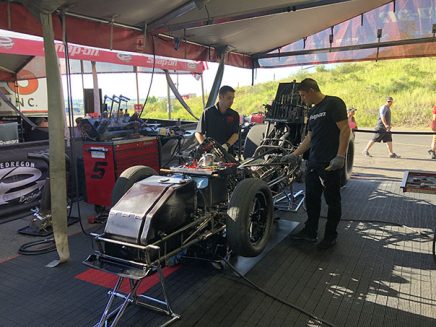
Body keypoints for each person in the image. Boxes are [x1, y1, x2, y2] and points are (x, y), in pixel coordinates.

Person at [281, 78, 351, 250]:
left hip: (330, 163)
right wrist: (295, 154)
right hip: (314, 162)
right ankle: (310, 232)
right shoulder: (313, 112)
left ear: (311, 91)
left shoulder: (333, 103)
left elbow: (345, 129)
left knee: (332, 200)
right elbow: (310, 137)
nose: (303, 99)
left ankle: (330, 236)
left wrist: (340, 156)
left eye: (303, 95)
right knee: (311, 199)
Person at [195, 85, 240, 153]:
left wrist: (226, 146)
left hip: (227, 153)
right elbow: (198, 133)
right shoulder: (208, 113)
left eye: (232, 98)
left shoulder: (234, 115)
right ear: (220, 97)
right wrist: (205, 146)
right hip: (210, 154)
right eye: (229, 98)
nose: (231, 101)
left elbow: (236, 134)